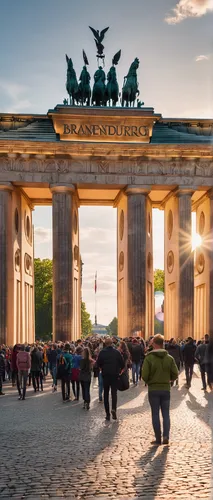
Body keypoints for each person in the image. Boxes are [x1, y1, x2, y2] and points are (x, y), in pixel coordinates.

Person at [142, 334, 178, 446]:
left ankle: (158, 439)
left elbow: (144, 375)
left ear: (154, 344)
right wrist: (170, 379)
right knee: (166, 414)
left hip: (153, 389)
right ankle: (166, 436)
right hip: (165, 389)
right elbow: (175, 373)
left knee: (155, 414)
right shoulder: (169, 358)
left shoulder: (149, 358)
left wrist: (149, 381)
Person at [97, 337, 125, 421]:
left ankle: (107, 414)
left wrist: (102, 368)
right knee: (114, 393)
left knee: (106, 393)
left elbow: (98, 363)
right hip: (114, 374)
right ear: (112, 343)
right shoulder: (116, 352)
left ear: (105, 344)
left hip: (105, 375)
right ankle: (114, 409)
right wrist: (119, 370)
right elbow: (122, 364)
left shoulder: (102, 352)